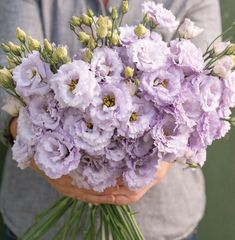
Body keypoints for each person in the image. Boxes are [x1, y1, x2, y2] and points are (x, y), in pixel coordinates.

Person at [0, 0, 221, 239]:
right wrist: (43, 158)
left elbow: (205, 91)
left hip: (160, 223)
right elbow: (8, 79)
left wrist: (159, 160)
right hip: (41, 218)